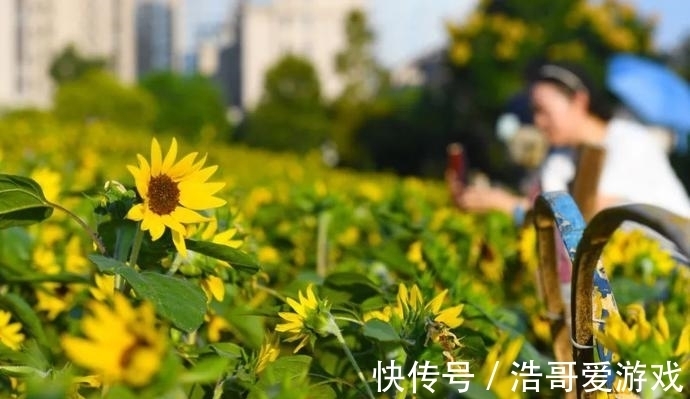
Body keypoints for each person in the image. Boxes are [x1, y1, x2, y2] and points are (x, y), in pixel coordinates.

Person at [447, 61, 690, 222]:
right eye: (534, 112)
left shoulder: (630, 142)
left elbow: (585, 217)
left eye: (543, 110)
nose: (538, 121)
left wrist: (508, 205)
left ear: (579, 100)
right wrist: (486, 196)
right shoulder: (562, 158)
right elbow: (546, 209)